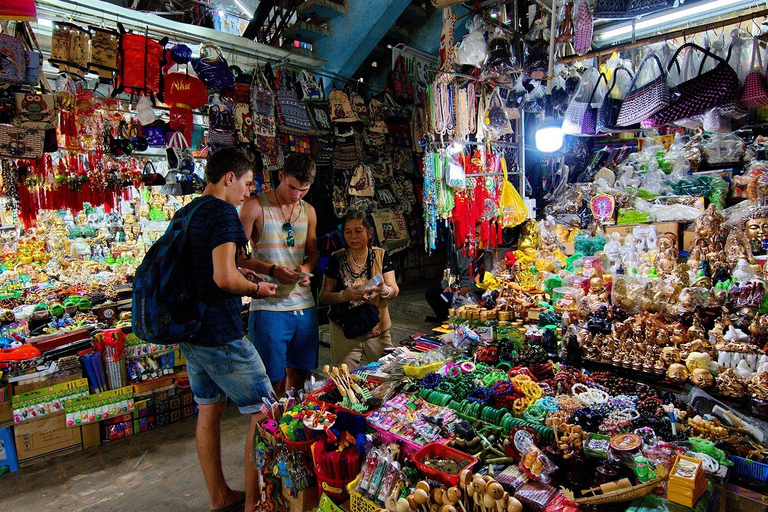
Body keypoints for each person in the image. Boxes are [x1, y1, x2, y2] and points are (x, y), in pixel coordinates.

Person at [174, 147, 277, 512]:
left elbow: (208, 271)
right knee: (266, 412)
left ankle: (220, 497)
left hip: (190, 332)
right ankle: (254, 504)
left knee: (209, 409)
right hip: (220, 333)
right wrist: (255, 287)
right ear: (229, 178)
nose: (249, 192)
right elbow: (223, 277)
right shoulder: (222, 212)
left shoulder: (185, 213)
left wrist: (240, 274)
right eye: (247, 183)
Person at [239, 153, 319, 395]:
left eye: (303, 190)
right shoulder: (254, 206)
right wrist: (272, 270)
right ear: (281, 176)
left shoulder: (309, 211)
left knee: (300, 379)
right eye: (292, 187)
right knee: (271, 382)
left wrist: (304, 270)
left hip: (304, 306)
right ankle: (271, 430)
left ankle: (292, 428)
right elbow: (238, 256)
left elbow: (312, 255)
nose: (296, 195)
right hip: (269, 308)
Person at [319, 210, 399, 369]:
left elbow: (394, 290)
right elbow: (324, 296)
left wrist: (383, 289)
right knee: (346, 379)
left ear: (369, 233)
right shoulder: (336, 258)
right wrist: (344, 295)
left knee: (387, 373)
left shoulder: (380, 255)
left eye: (358, 231)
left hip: (377, 327)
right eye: (348, 232)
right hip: (345, 329)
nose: (353, 236)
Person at [425, 249, 483, 322]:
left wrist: (469, 288)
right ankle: (445, 320)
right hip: (456, 293)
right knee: (432, 293)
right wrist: (446, 286)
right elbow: (447, 276)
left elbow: (487, 285)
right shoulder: (459, 254)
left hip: (474, 295)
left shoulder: (485, 257)